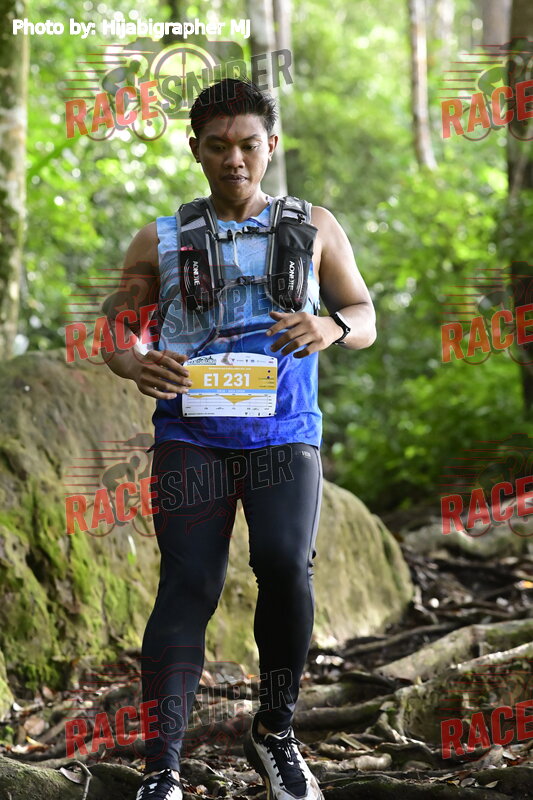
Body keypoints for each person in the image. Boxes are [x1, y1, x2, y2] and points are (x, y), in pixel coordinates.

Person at [103, 78, 376, 800]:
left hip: (284, 432)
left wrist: (329, 326)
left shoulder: (314, 226)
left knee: (286, 566)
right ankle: (161, 770)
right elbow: (116, 330)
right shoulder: (158, 240)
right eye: (218, 146)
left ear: (271, 146)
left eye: (249, 145)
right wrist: (135, 361)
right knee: (189, 583)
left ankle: (275, 732)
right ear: (194, 149)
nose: (234, 159)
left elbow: (363, 313)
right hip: (192, 434)